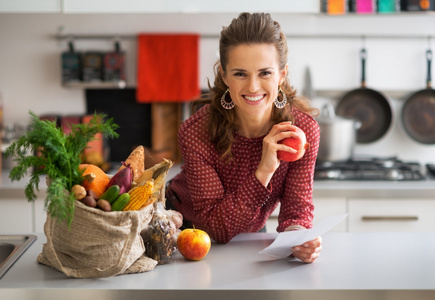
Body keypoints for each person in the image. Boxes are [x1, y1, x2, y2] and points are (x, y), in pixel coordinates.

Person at [166, 12, 322, 263]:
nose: (252, 87)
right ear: (225, 76)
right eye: (240, 74)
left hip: (248, 227)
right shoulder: (196, 131)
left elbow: (297, 210)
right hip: (182, 229)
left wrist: (298, 239)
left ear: (282, 75)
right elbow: (216, 229)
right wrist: (265, 169)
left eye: (265, 73)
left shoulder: (302, 131)